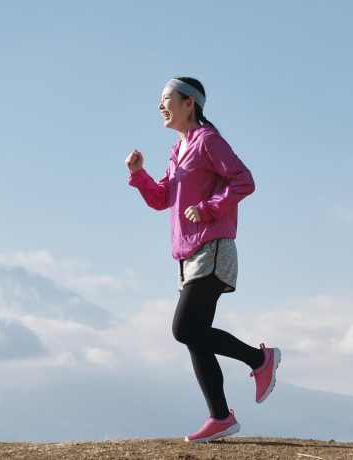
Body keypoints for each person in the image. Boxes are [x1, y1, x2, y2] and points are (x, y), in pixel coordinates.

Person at [125, 77, 281, 443]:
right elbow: (163, 198)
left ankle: (260, 361)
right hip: (188, 254)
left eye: (167, 99)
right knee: (196, 337)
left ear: (189, 103)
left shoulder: (208, 141)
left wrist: (209, 208)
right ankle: (221, 417)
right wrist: (138, 174)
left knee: (184, 329)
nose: (161, 106)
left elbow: (244, 181)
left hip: (212, 249)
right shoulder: (177, 150)